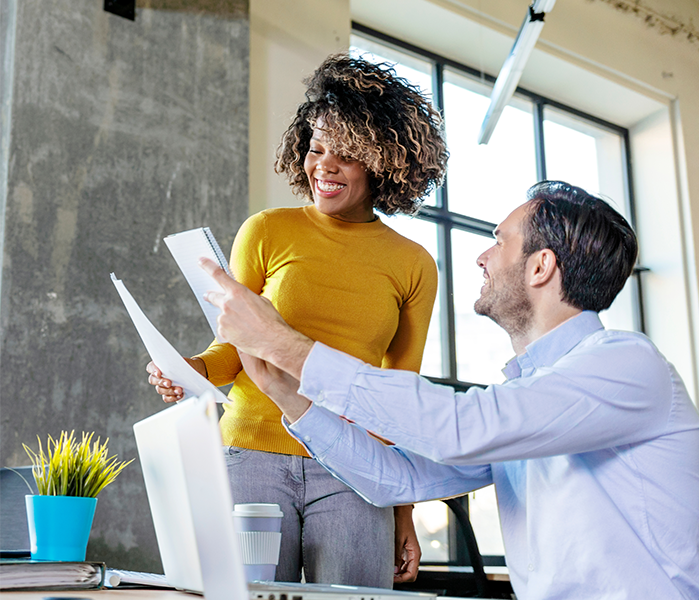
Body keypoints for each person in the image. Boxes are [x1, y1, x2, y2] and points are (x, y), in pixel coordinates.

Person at [198, 181, 699, 600]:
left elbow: (459, 427)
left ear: (540, 266)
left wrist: (289, 347)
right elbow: (394, 479)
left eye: (498, 241)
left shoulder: (627, 366)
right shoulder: (536, 398)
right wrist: (289, 395)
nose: (482, 257)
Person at [146, 53, 448, 587]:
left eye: (346, 154)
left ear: (383, 161)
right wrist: (189, 367)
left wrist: (404, 510)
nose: (324, 166)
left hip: (355, 468)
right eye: (316, 148)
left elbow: (401, 393)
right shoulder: (266, 230)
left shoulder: (414, 263)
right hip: (253, 452)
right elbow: (233, 348)